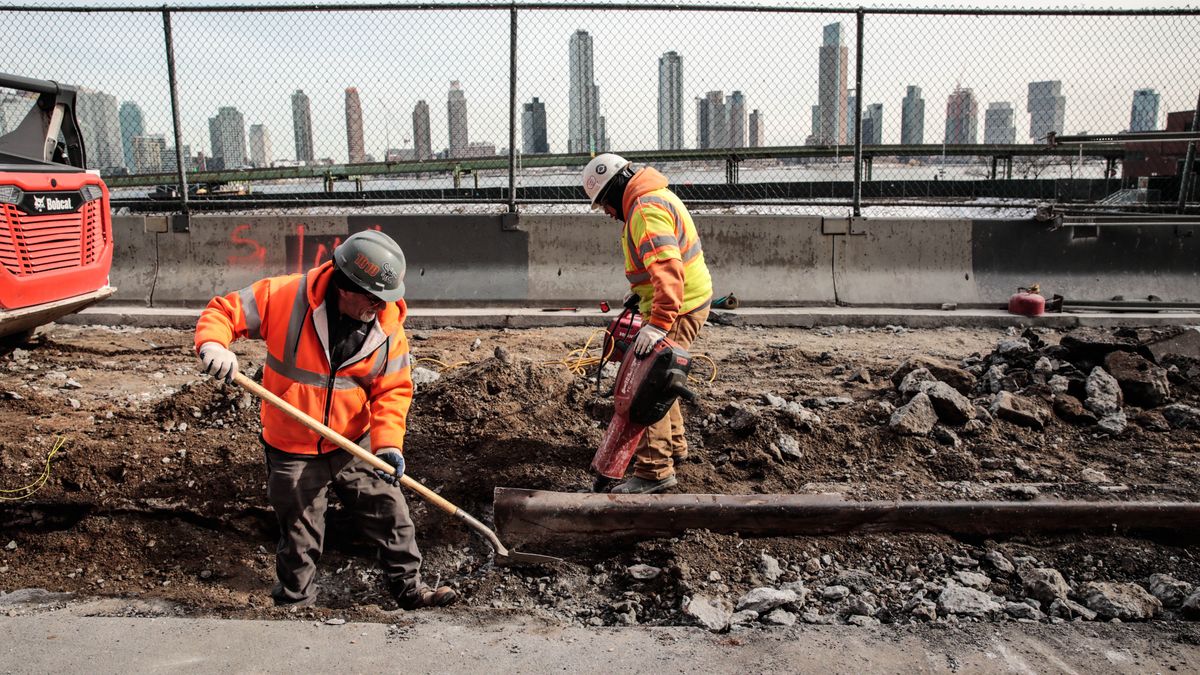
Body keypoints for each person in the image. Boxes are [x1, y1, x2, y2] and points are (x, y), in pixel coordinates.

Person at [193, 231, 457, 610]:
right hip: (292, 446)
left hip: (355, 441)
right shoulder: (284, 297)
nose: (380, 306)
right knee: (299, 533)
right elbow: (223, 312)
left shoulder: (386, 326)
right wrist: (214, 344)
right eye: (373, 297)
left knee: (392, 516)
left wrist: (387, 445)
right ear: (345, 285)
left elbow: (393, 391)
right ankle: (296, 605)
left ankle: (411, 591)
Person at [582, 153, 713, 494]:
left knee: (647, 387)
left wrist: (657, 322)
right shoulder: (653, 197)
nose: (609, 214)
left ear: (614, 192)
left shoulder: (644, 210)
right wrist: (640, 296)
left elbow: (669, 270)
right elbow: (656, 267)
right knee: (666, 380)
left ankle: (654, 470)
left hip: (676, 309)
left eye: (605, 205)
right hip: (685, 303)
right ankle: (676, 445)